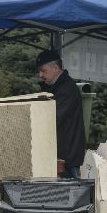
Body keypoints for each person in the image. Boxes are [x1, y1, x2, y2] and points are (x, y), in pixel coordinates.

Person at [36, 49, 86, 178]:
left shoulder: (66, 89)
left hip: (68, 156)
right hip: (63, 153)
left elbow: (53, 118)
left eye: (43, 70)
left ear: (56, 68)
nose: (40, 75)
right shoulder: (56, 86)